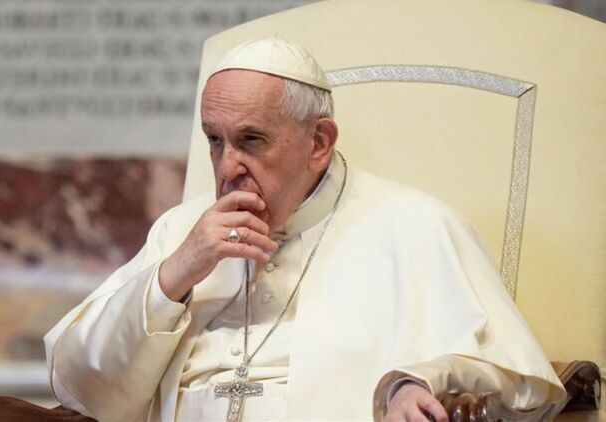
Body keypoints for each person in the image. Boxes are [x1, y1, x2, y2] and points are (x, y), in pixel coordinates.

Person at [44, 37, 565, 421]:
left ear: (319, 143)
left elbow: (520, 381)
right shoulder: (182, 228)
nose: (227, 167)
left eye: (251, 140)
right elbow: (82, 386)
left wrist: (412, 385)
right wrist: (174, 275)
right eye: (214, 140)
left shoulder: (417, 226)